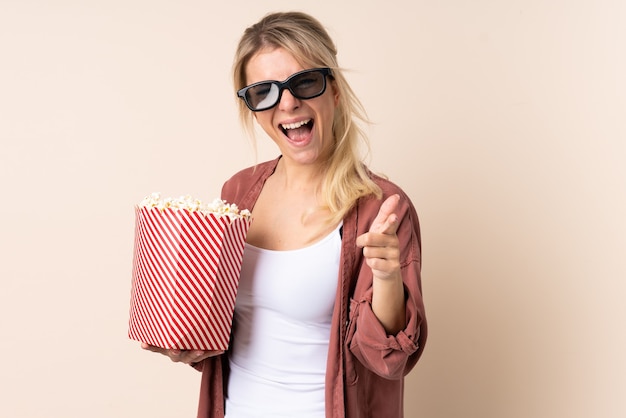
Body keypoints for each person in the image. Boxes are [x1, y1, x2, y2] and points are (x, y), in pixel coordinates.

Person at [142, 11, 427, 418]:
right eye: (265, 92)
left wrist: (387, 278)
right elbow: (218, 336)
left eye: (305, 82)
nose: (288, 103)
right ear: (253, 108)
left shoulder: (381, 208)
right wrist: (183, 337)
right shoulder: (237, 194)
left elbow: (388, 359)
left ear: (334, 91)